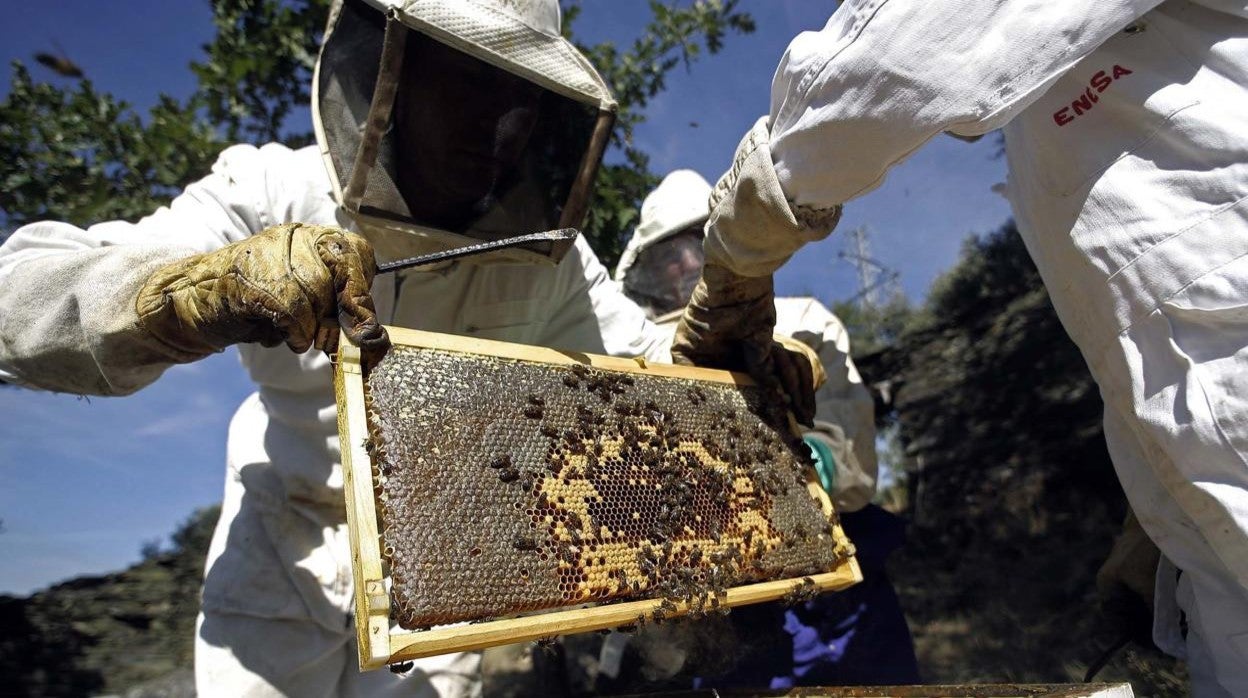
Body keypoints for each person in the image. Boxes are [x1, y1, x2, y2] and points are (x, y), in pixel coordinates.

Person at [0, 0, 669, 695]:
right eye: (469, 80)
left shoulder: (552, 261)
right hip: (283, 556)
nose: (496, 124)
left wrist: (778, 348)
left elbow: (655, 369)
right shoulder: (271, 188)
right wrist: (191, 292)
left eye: (518, 97)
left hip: (445, 575)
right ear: (397, 72)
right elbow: (17, 297)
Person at [669, 2, 1248, 695]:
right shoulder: (1054, 140)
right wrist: (1160, 510)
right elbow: (1151, 327)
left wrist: (735, 262)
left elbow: (892, 59)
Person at [615, 169, 918, 688]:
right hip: (710, 598)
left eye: (699, 241)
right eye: (671, 254)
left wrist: (812, 460)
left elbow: (854, 465)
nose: (688, 262)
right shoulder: (628, 352)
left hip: (828, 590)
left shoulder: (802, 318)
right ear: (650, 271)